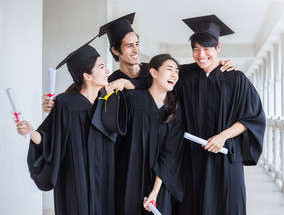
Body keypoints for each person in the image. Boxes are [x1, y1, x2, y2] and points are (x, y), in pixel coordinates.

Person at [42, 13, 238, 113]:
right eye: (129, 46)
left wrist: (220, 65)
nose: (136, 50)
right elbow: (86, 95)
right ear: (115, 51)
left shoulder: (155, 71)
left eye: (137, 44)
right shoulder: (111, 82)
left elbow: (196, 72)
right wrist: (58, 102)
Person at [174, 14, 266, 215]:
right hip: (193, 159)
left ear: (218, 47)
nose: (201, 55)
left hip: (225, 158)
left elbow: (252, 117)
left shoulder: (235, 79)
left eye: (206, 49)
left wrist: (223, 136)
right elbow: (156, 74)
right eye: (196, 49)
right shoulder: (184, 76)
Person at [16, 44, 121, 215]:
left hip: (105, 177)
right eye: (102, 67)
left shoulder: (109, 101)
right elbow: (50, 138)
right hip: (74, 176)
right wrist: (31, 132)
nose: (107, 70)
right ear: (87, 75)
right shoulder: (66, 103)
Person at [101, 54, 184, 214]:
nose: (174, 74)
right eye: (169, 69)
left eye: (177, 71)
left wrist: (155, 191)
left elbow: (170, 154)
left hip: (159, 183)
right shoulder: (132, 100)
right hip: (129, 177)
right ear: (153, 72)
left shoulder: (175, 110)